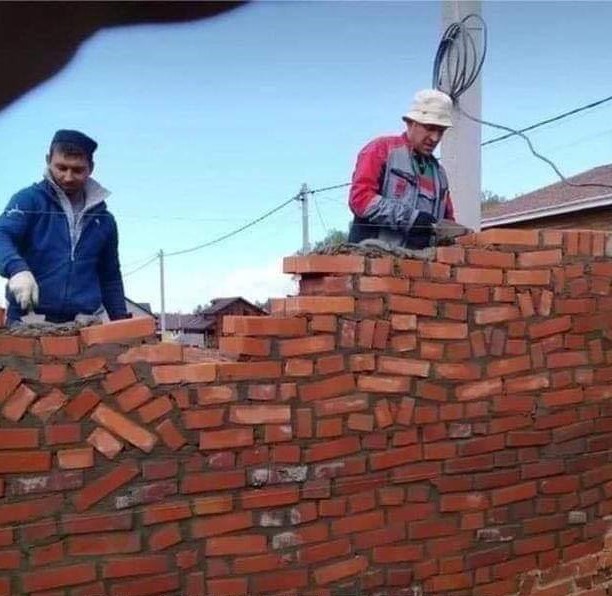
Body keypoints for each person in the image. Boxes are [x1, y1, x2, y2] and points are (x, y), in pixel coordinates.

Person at [0, 129, 129, 325]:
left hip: (84, 324)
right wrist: (16, 269)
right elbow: (2, 234)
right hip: (27, 322)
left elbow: (110, 277)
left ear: (91, 168)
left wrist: (121, 323)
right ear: (48, 161)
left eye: (77, 170)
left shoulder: (104, 220)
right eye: (61, 167)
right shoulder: (28, 200)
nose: (68, 177)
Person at [348, 89, 456, 250]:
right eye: (430, 128)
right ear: (411, 122)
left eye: (441, 131)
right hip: (372, 258)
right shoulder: (381, 150)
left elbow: (448, 221)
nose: (435, 138)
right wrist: (410, 219)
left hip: (419, 263)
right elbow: (360, 199)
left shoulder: (439, 175)